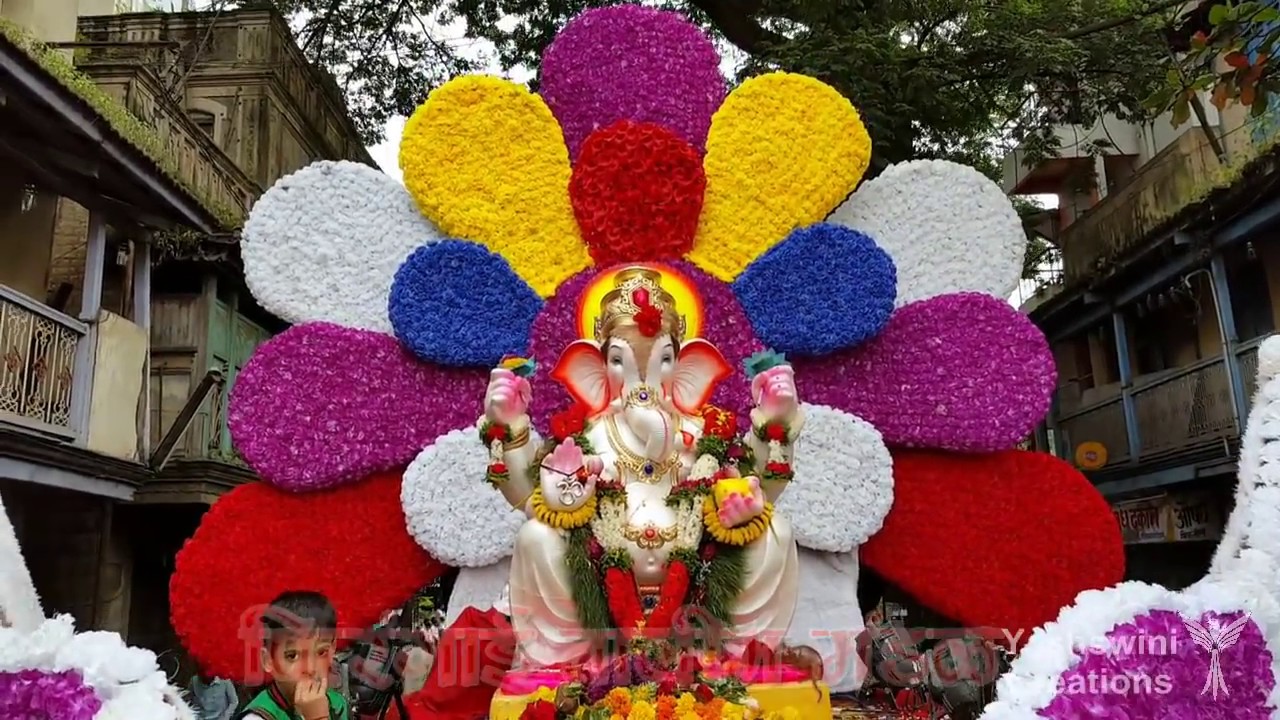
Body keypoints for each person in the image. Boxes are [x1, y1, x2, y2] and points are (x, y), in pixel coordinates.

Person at [239, 591, 350, 720]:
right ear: (268, 660)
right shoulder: (257, 717)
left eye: (321, 652)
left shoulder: (338, 703)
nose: (310, 669)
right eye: (292, 656)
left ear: (333, 650)